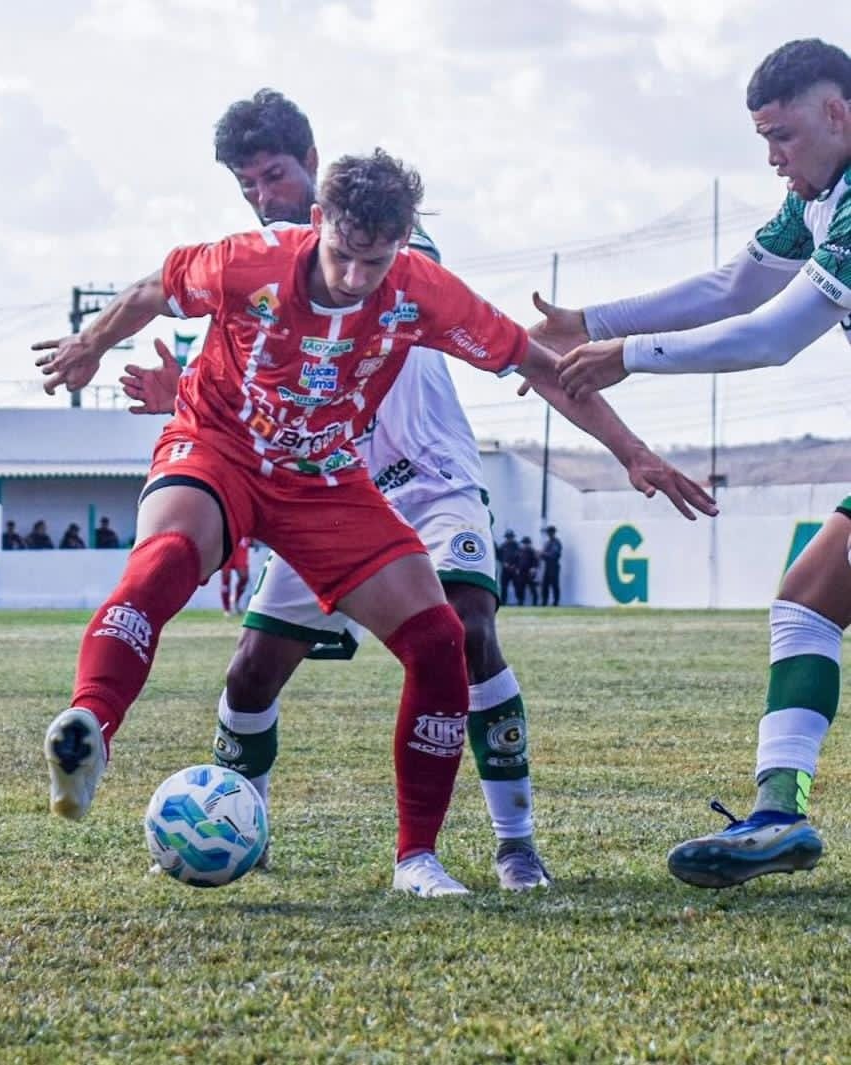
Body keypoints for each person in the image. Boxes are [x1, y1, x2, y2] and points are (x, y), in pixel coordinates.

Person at [35, 148, 715, 897]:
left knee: (441, 640)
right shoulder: (247, 261)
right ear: (317, 222)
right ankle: (91, 727)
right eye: (345, 256)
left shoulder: (420, 290)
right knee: (168, 557)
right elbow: (152, 289)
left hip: (323, 477)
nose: (358, 278)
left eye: (377, 261)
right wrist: (89, 345)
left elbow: (539, 365)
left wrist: (633, 452)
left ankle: (417, 858)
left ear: (402, 243)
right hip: (219, 444)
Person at [531, 38, 851, 889]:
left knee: (808, 602)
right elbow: (734, 287)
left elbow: (772, 336)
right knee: (807, 603)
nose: (773, 159)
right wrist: (590, 322)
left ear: (836, 113)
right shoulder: (820, 199)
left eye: (781, 137)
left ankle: (780, 811)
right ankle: (778, 813)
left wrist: (628, 356)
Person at [219, 535, 251, 615]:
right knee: (226, 578)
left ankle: (235, 602)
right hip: (227, 542)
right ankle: (227, 608)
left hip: (241, 541)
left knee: (244, 577)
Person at [496, 530, 521, 606]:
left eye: (510, 537)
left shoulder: (517, 546)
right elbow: (499, 556)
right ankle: (503, 602)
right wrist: (504, 563)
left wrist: (515, 565)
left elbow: (520, 557)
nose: (509, 538)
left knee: (517, 586)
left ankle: (520, 601)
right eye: (508, 537)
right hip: (505, 569)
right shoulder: (503, 546)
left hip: (514, 569)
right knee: (504, 586)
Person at [540, 526, 562, 606]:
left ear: (553, 533)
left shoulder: (556, 542)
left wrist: (543, 553)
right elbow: (544, 555)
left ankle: (556, 602)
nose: (548, 534)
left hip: (554, 565)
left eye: (550, 532)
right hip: (547, 565)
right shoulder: (547, 543)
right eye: (548, 532)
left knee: (554, 584)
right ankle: (544, 601)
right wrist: (540, 554)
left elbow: (554, 555)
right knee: (545, 584)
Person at [516, 537, 539, 606]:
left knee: (532, 588)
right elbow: (517, 560)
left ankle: (535, 602)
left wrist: (533, 568)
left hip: (529, 572)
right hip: (521, 572)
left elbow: (536, 561)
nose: (525, 545)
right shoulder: (520, 551)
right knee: (520, 588)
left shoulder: (532, 551)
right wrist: (517, 568)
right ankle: (520, 601)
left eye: (526, 543)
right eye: (524, 543)